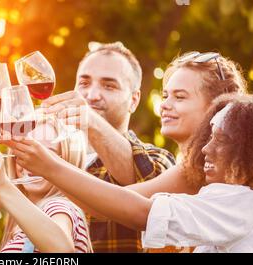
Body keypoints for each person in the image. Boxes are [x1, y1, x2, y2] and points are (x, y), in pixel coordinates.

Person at [42, 44, 247, 252]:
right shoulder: (194, 168)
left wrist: (46, 165)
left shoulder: (205, 171)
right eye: (166, 95)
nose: (164, 105)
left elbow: (124, 207)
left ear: (217, 106)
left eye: (180, 97)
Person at [7, 93, 253, 252]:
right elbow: (114, 204)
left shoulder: (244, 203)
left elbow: (140, 213)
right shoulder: (228, 204)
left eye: (222, 140)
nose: (206, 148)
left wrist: (49, 167)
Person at [41, 41, 176, 252]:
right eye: (84, 83)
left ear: (134, 100)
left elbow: (145, 190)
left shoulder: (159, 159)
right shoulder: (49, 156)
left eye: (109, 86)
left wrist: (91, 121)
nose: (92, 95)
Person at [0, 116, 92, 253]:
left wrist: (2, 186)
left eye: (46, 154)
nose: (31, 161)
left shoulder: (57, 206)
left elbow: (62, 252)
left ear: (68, 161)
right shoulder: (29, 218)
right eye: (23, 151)